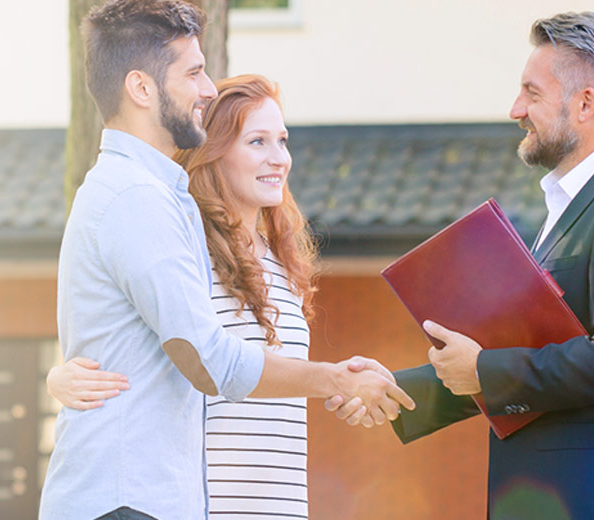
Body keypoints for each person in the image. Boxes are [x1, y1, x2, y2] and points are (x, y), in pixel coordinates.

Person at [40, 1, 413, 519]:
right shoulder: (136, 200)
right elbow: (208, 359)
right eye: (193, 72)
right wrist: (334, 379)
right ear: (141, 89)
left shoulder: (156, 198)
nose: (208, 88)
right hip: (130, 501)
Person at [368, 12, 594, 519]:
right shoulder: (581, 201)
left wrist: (482, 368)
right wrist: (394, 392)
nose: (515, 109)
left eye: (532, 93)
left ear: (585, 103)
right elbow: (535, 352)